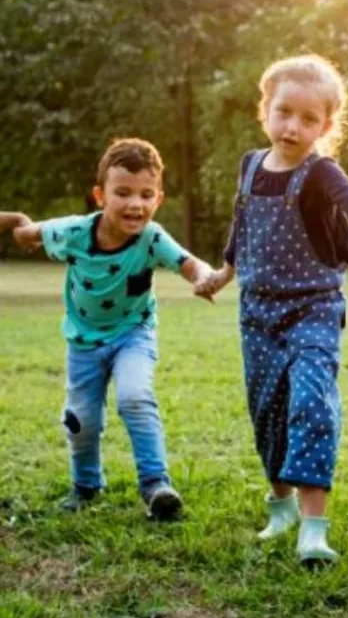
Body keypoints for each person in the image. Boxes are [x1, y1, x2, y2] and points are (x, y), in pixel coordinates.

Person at [195, 55, 348, 564]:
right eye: (284, 112)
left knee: (311, 402)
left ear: (325, 126)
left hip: (314, 308)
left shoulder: (320, 172)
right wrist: (223, 275)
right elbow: (242, 227)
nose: (293, 126)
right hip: (257, 314)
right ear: (265, 111)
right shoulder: (250, 166)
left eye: (308, 118)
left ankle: (314, 528)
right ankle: (282, 508)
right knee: (268, 410)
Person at [13, 138, 214, 519]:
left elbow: (190, 264)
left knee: (136, 396)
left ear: (158, 200)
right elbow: (29, 232)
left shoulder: (152, 238)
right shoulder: (73, 232)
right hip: (84, 342)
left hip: (132, 335)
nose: (135, 204)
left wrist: (205, 278)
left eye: (145, 194)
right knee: (81, 421)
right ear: (99, 195)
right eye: (122, 192)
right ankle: (86, 485)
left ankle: (156, 485)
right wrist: (22, 231)